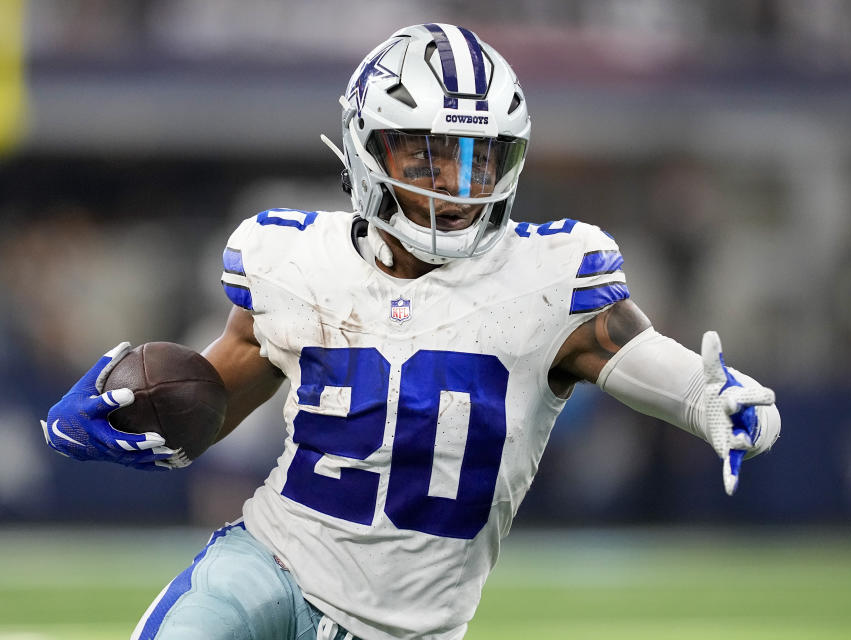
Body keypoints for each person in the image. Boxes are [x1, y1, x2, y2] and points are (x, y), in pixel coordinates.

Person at [41, 23, 780, 640]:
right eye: (425, 153)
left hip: (408, 627)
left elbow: (632, 350)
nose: (454, 184)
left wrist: (708, 396)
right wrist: (130, 421)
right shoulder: (297, 259)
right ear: (368, 147)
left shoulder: (549, 278)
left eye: (476, 157)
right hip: (272, 563)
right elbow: (207, 403)